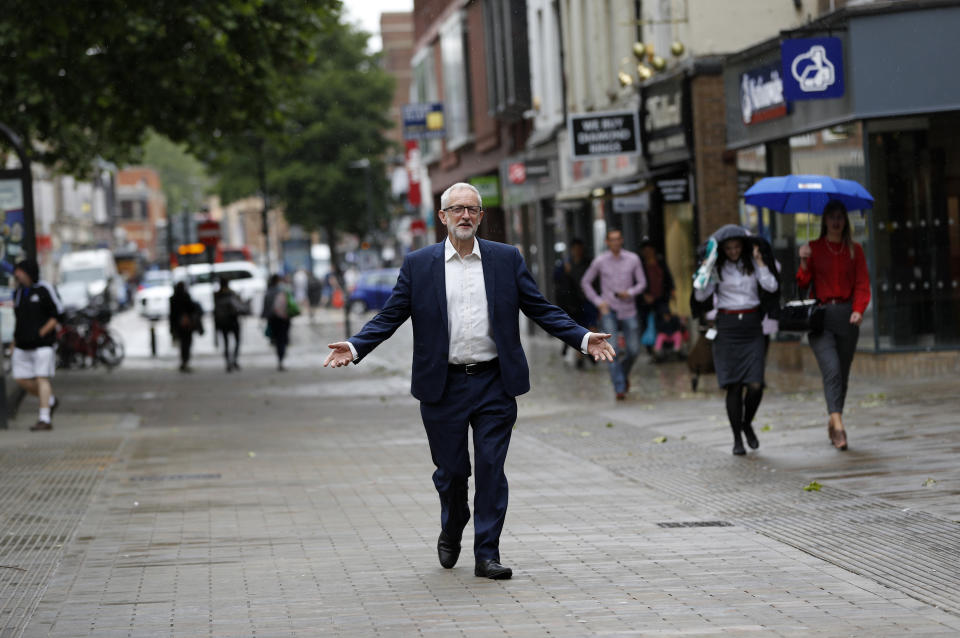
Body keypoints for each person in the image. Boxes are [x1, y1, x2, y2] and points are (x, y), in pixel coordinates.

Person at [324, 182, 615, 580]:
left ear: (481, 216)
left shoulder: (505, 259)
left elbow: (540, 308)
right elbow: (390, 316)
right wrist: (355, 347)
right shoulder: (419, 264)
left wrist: (582, 337)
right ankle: (453, 519)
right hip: (442, 386)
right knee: (452, 472)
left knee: (492, 468)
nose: (465, 216)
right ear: (442, 217)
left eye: (473, 209)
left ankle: (487, 553)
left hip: (495, 381)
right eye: (457, 209)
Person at [694, 227, 779, 455]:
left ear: (744, 246)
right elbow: (701, 295)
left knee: (755, 385)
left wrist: (760, 262)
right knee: (733, 385)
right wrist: (706, 268)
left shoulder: (753, 264)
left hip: (752, 327)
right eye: (728, 248)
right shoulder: (718, 267)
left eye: (737, 247)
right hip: (727, 328)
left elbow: (772, 285)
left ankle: (746, 423)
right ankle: (736, 439)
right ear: (723, 249)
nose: (733, 251)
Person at [797, 199, 871, 451]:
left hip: (847, 316)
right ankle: (839, 426)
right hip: (821, 317)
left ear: (845, 221)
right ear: (825, 220)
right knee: (832, 370)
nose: (836, 221)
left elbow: (862, 283)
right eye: (832, 217)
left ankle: (833, 418)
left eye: (840, 217)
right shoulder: (814, 248)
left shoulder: (855, 250)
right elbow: (802, 284)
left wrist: (859, 310)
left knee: (843, 373)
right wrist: (804, 262)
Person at [580, 228, 647, 400]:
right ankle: (619, 387)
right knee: (613, 349)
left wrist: (630, 292)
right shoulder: (600, 261)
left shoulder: (633, 259)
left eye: (618, 239)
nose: (615, 242)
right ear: (607, 242)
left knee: (633, 350)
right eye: (612, 239)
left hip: (628, 309)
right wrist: (598, 302)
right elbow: (585, 282)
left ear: (622, 240)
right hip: (609, 309)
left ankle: (622, 375)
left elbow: (642, 283)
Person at [10, 258, 63, 431]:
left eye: (20, 271)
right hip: (22, 345)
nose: (17, 274)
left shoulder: (44, 289)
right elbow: (18, 319)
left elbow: (58, 313)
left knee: (42, 378)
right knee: (21, 378)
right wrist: (14, 341)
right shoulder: (18, 292)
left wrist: (42, 332)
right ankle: (51, 400)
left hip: (42, 344)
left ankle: (44, 418)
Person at [553, 238, 596, 368]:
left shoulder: (588, 263)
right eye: (575, 249)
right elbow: (556, 280)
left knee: (591, 327)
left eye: (579, 248)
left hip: (587, 301)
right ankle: (581, 356)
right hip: (573, 303)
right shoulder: (565, 264)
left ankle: (588, 353)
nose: (577, 251)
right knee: (578, 329)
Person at [637, 240, 674, 354]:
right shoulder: (640, 265)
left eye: (650, 250)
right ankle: (651, 349)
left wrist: (672, 290)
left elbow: (668, 277)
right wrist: (644, 294)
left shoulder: (660, 262)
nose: (648, 253)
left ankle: (663, 347)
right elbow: (637, 282)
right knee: (647, 323)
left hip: (661, 298)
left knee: (663, 321)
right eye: (645, 251)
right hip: (646, 302)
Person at [169, 281, 201, 372]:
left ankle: (184, 361)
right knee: (187, 343)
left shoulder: (173, 299)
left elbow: (172, 315)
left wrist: (172, 327)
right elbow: (192, 309)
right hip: (186, 325)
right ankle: (185, 361)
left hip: (179, 325)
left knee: (183, 344)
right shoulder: (186, 297)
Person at [262, 274, 291, 371]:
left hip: (273, 319)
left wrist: (264, 317)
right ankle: (281, 358)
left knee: (277, 339)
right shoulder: (283, 291)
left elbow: (265, 307)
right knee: (282, 339)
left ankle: (280, 357)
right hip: (283, 319)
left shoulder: (269, 292)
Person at [213, 276, 243, 372]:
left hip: (223, 322)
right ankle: (233, 360)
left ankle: (229, 362)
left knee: (226, 343)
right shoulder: (231, 294)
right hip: (232, 320)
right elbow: (239, 306)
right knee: (236, 341)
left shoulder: (217, 295)